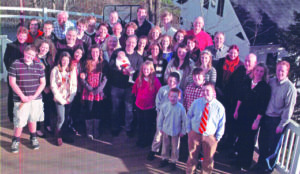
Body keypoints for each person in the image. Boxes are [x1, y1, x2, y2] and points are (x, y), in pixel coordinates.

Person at [255, 61, 297, 173]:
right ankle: (260, 165)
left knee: (273, 147)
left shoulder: (290, 88)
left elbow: (289, 109)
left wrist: (281, 124)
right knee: (262, 142)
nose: (280, 72)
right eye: (278, 70)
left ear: (287, 72)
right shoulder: (271, 81)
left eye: (283, 70)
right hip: (266, 117)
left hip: (277, 120)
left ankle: (268, 169)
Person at [233, 63, 271, 171]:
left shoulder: (265, 87)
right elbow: (240, 98)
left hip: (253, 117)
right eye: (257, 70)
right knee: (240, 137)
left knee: (248, 141)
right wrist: (236, 111)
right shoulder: (247, 82)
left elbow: (263, 106)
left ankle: (245, 164)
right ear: (253, 71)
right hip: (242, 114)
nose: (258, 73)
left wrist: (257, 120)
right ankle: (238, 161)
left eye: (261, 71)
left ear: (264, 74)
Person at [9, 45, 46, 153]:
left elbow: (43, 83)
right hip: (21, 100)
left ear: (35, 56)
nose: (29, 56)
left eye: (32, 55)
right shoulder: (15, 64)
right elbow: (12, 82)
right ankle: (15, 140)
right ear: (24, 52)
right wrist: (22, 96)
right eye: (28, 53)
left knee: (33, 118)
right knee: (19, 121)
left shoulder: (39, 66)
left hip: (35, 99)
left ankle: (33, 137)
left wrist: (34, 96)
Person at [186, 82, 226, 174]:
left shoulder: (219, 107)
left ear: (213, 92)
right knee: (192, 156)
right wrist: (189, 130)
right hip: (195, 134)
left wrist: (218, 137)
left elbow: (221, 123)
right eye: (203, 90)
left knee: (208, 159)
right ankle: (190, 172)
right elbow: (189, 116)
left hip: (210, 136)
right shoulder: (196, 103)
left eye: (207, 90)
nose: (205, 93)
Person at [108, 35, 143, 137]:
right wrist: (121, 70)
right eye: (129, 42)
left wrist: (132, 73)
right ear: (125, 41)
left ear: (136, 44)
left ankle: (129, 128)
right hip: (116, 85)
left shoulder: (138, 57)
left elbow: (140, 72)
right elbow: (111, 66)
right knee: (115, 108)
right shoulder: (117, 52)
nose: (130, 44)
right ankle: (115, 127)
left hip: (130, 87)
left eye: (133, 43)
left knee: (129, 109)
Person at [147, 72, 181, 161]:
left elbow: (181, 104)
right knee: (159, 133)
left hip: (174, 116)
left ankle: (171, 155)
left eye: (174, 81)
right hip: (162, 115)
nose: (171, 83)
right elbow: (157, 101)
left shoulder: (180, 92)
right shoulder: (163, 89)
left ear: (178, 82)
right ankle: (154, 149)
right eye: (170, 81)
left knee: (173, 136)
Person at [81, 44, 108, 140]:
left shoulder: (103, 63)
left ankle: (96, 130)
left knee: (97, 111)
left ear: (100, 52)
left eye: (97, 52)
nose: (95, 54)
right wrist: (90, 89)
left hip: (98, 92)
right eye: (93, 52)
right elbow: (82, 77)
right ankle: (89, 131)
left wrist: (97, 90)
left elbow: (105, 78)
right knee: (89, 110)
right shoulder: (86, 62)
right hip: (88, 91)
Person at [50, 51, 77, 146]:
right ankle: (58, 135)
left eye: (67, 60)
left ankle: (64, 134)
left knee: (67, 118)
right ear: (60, 60)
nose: (65, 62)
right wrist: (60, 99)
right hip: (59, 98)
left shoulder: (72, 69)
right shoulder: (55, 70)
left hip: (69, 98)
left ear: (69, 60)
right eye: (63, 60)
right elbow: (53, 85)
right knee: (61, 118)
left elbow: (74, 84)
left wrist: (70, 98)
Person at [132, 61, 161, 147]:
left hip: (149, 107)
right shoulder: (139, 79)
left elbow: (159, 93)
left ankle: (147, 140)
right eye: (144, 69)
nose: (146, 71)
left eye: (148, 69)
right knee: (140, 124)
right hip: (139, 106)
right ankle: (140, 139)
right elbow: (135, 90)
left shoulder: (155, 81)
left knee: (148, 125)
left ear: (151, 70)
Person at [157, 88, 186, 171]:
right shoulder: (165, 106)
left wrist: (183, 131)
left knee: (175, 147)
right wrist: (160, 127)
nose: (173, 98)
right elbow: (161, 118)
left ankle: (173, 161)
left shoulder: (181, 108)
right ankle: (164, 158)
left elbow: (184, 120)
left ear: (179, 98)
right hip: (166, 129)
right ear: (168, 97)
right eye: (171, 96)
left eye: (175, 97)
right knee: (165, 145)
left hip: (176, 131)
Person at [4, 26, 28, 123]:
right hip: (13, 75)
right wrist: (12, 72)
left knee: (23, 94)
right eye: (20, 35)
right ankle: (11, 115)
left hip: (25, 76)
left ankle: (23, 114)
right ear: (17, 35)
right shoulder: (10, 46)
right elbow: (6, 60)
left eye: (24, 36)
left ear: (26, 37)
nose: (22, 38)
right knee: (12, 95)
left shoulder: (29, 46)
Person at [35, 39, 57, 137]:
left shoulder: (49, 58)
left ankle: (47, 124)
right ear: (39, 47)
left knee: (48, 107)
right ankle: (37, 128)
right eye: (43, 47)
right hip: (38, 87)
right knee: (38, 108)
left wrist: (48, 86)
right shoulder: (34, 58)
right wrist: (43, 87)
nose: (44, 49)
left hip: (48, 87)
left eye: (47, 48)